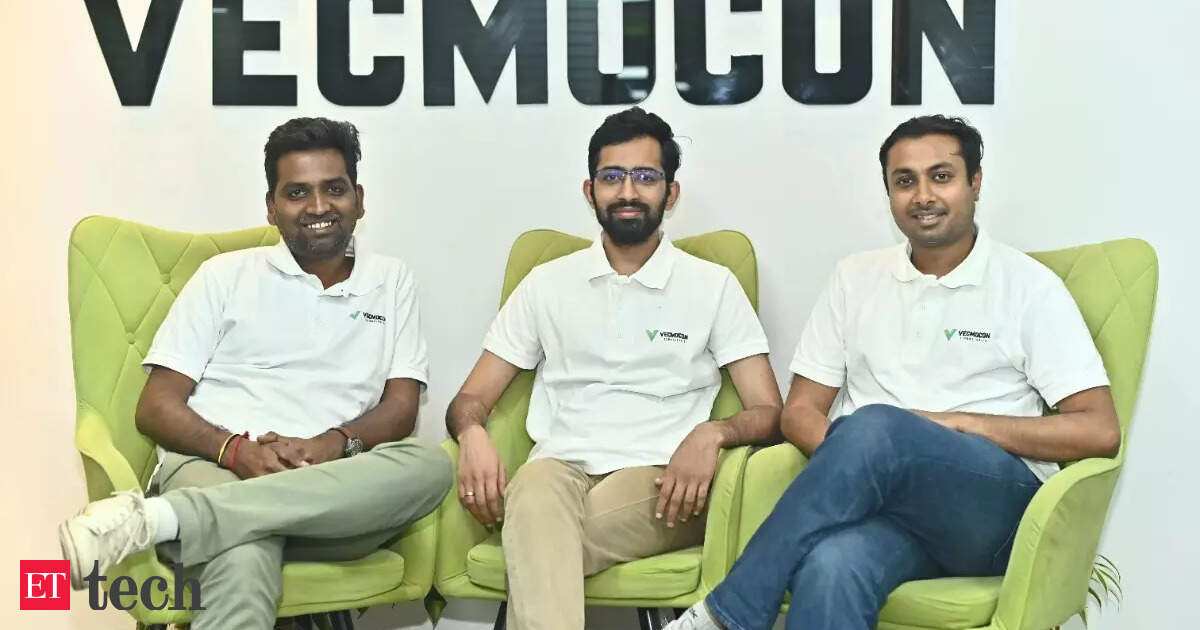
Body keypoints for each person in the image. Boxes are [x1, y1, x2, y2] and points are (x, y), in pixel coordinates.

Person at [667, 115, 1120, 630]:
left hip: (990, 512)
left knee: (878, 426)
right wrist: (859, 465)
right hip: (889, 514)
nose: (923, 195)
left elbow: (1099, 429)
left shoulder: (1029, 288)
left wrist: (956, 425)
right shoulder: (854, 278)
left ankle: (727, 614)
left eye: (941, 176)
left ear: (975, 182)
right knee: (832, 568)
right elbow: (799, 412)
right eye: (905, 181)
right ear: (888, 193)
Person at [58, 117, 452, 629]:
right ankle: (216, 517)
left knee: (430, 466)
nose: (318, 206)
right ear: (271, 207)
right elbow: (156, 405)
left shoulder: (392, 280)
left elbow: (400, 408)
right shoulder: (225, 276)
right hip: (216, 466)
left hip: (334, 483)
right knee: (243, 550)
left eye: (334, 189)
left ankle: (161, 521)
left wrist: (330, 445)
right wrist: (237, 452)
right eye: (297, 192)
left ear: (359, 199)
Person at [445, 107, 784, 630]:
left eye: (645, 177)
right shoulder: (547, 283)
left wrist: (713, 433)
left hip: (663, 478)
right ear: (590, 191)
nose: (628, 191)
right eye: (612, 177)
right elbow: (470, 399)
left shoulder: (712, 285)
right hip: (557, 468)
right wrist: (472, 435)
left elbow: (769, 410)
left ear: (671, 193)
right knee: (534, 493)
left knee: (534, 540)